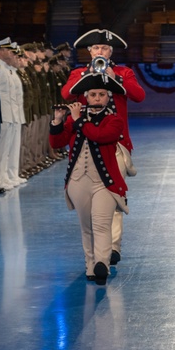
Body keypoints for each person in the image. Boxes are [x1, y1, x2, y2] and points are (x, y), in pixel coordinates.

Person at [62, 29, 145, 266]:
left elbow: (139, 96)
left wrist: (116, 79)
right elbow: (66, 93)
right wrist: (86, 77)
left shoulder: (123, 72)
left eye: (105, 49)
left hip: (116, 143)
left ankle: (113, 247)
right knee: (89, 201)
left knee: (114, 194)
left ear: (111, 52)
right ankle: (98, 251)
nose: (101, 52)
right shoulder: (79, 72)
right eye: (97, 48)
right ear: (89, 52)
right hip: (84, 144)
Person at [49, 72, 129, 286]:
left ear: (107, 97)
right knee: (86, 226)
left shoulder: (114, 119)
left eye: (101, 94)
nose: (96, 99)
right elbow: (57, 143)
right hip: (77, 180)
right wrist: (57, 122)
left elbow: (100, 136)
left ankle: (102, 264)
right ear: (85, 97)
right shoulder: (75, 119)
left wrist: (77, 121)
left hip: (105, 182)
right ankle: (90, 265)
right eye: (92, 94)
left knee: (101, 224)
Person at [0, 38, 27, 189]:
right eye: (8, 50)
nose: (13, 55)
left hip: (15, 114)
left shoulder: (11, 71)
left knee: (13, 147)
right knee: (3, 149)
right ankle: (0, 178)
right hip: (4, 114)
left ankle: (11, 174)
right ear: (0, 52)